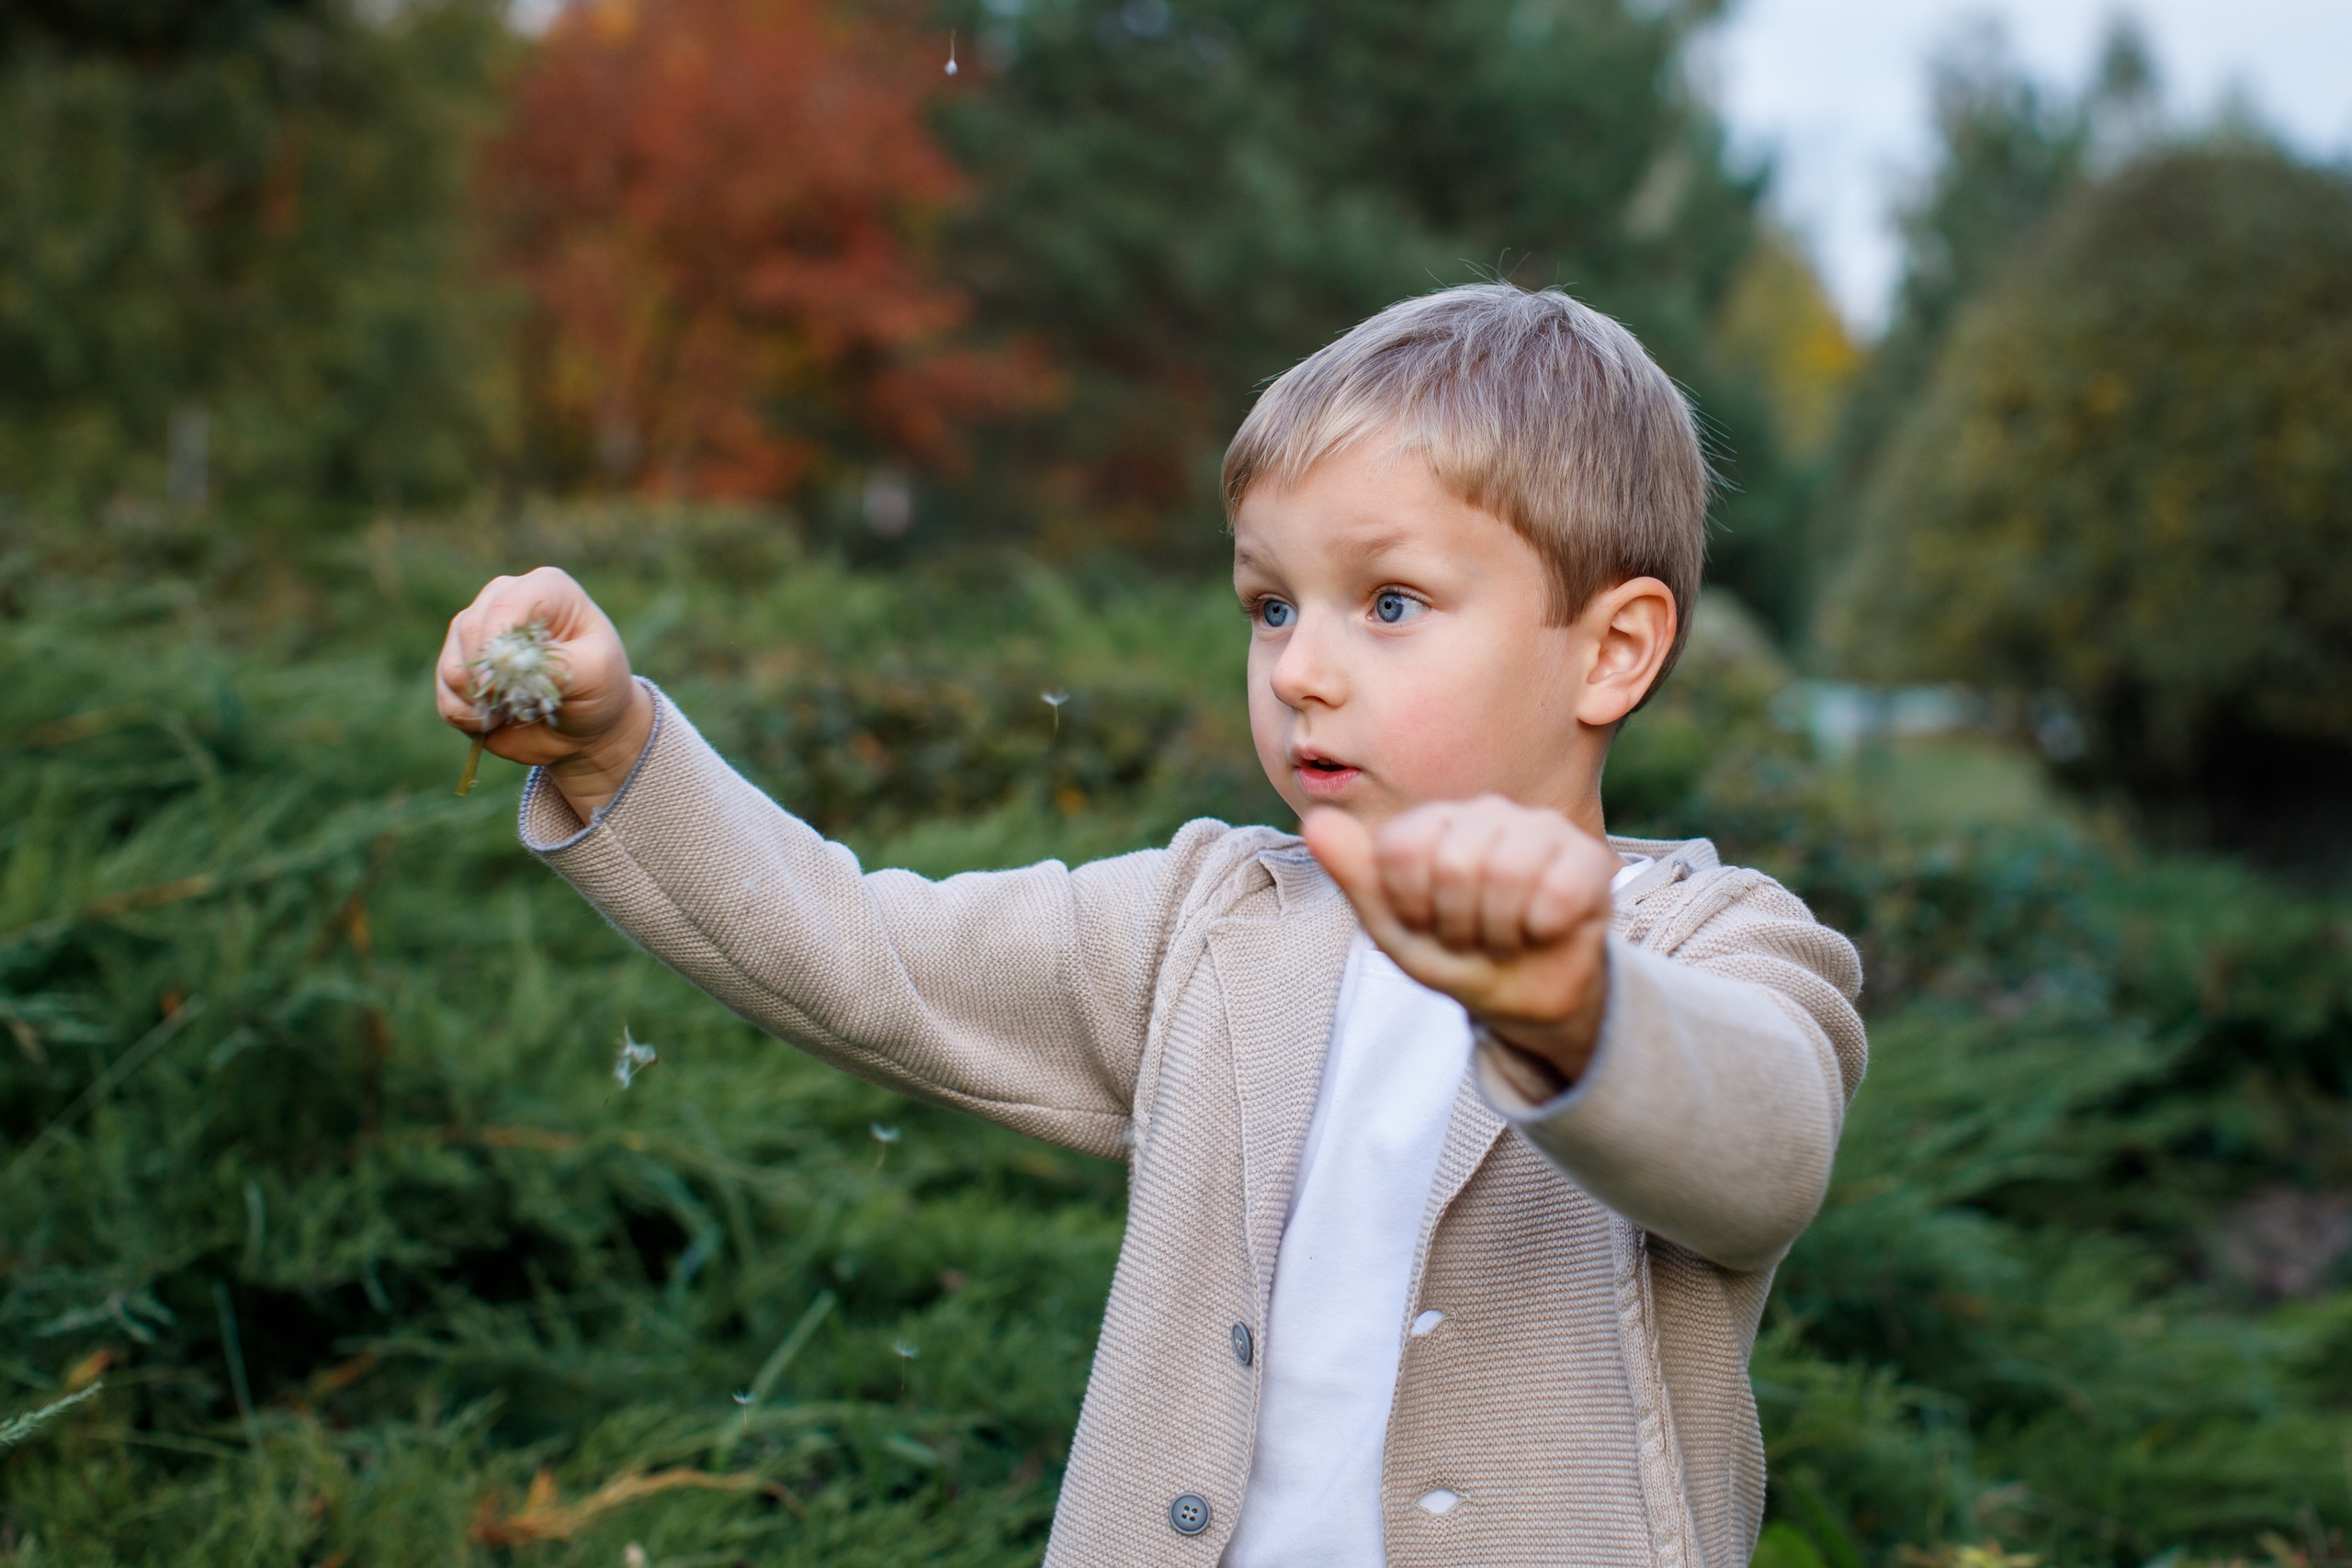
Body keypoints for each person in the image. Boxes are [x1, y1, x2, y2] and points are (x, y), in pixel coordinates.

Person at [435, 282, 1865, 1568]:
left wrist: (1573, 1006)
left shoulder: (1714, 944)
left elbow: (1763, 1140)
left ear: (1612, 649)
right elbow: (865, 954)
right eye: (1268, 604)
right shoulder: (1209, 923)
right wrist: (617, 750)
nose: (1301, 667)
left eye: (1388, 602)